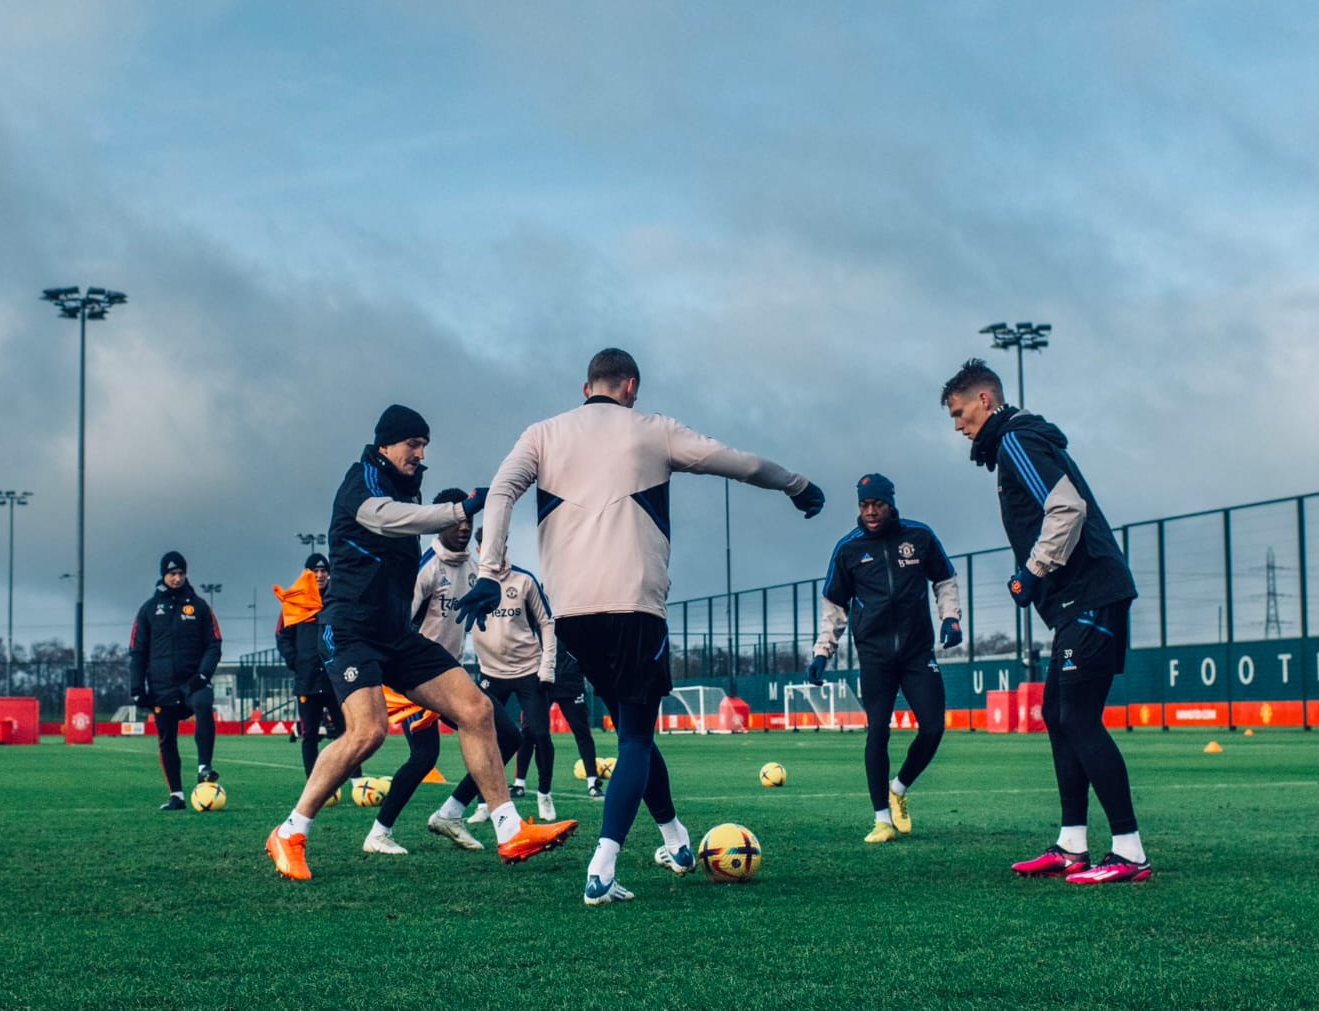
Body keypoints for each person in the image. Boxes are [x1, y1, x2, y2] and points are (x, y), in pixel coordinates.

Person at [456, 348, 824, 905]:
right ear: (630, 387)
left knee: (635, 725)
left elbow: (500, 492)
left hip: (573, 614)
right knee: (634, 735)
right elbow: (740, 463)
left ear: (587, 389)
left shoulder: (542, 435)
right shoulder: (654, 430)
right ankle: (603, 865)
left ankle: (675, 839)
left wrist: (488, 570)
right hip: (636, 608)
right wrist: (796, 485)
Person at [264, 405, 577, 880]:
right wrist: (459, 509)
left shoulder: (406, 487)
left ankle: (510, 831)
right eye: (413, 443)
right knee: (368, 733)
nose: (421, 452)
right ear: (386, 443)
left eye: (425, 444)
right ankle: (289, 832)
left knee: (477, 711)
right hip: (350, 630)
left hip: (396, 636)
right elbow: (385, 519)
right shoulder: (362, 481)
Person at [941, 358, 1149, 884]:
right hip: (1076, 602)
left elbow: (1066, 508)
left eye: (961, 412)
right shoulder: (1015, 442)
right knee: (1058, 716)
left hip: (1091, 595)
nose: (959, 425)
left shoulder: (1015, 441)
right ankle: (1071, 844)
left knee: (1078, 718)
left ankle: (1129, 853)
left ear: (985, 400)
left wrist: (1032, 570)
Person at [365, 488, 527, 856]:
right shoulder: (426, 569)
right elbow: (397, 624)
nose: (464, 528)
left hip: (451, 677)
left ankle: (451, 813)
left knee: (508, 738)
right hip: (416, 679)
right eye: (456, 521)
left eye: (469, 521)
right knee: (424, 757)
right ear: (439, 524)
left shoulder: (473, 568)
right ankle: (378, 833)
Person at [810, 473, 962, 844]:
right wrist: (821, 652)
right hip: (875, 656)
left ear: (890, 504)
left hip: (916, 651)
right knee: (877, 731)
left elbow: (944, 581)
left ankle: (899, 788)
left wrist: (951, 618)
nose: (871, 511)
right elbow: (834, 607)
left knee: (933, 728)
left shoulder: (919, 536)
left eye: (877, 504)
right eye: (864, 505)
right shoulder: (848, 549)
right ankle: (881, 819)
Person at [469, 530, 560, 819]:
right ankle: (485, 803)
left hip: (528, 671)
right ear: (480, 549)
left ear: (503, 546)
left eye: (497, 544)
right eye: (485, 545)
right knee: (485, 739)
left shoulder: (524, 580)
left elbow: (547, 622)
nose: (492, 550)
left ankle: (544, 794)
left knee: (540, 733)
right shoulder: (470, 580)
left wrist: (547, 666)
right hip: (489, 674)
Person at [128, 551, 224, 811]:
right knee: (166, 740)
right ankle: (177, 795)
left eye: (181, 573)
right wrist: (137, 688)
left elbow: (214, 644)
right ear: (164, 576)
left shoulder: (200, 606)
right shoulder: (148, 610)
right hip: (162, 688)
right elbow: (137, 650)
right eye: (172, 574)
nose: (177, 578)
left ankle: (205, 766)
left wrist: (202, 675)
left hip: (193, 683)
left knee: (204, 703)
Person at [274, 553, 353, 779]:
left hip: (335, 679)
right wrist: (296, 662)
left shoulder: (337, 600)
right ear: (306, 574)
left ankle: (355, 779)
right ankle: (314, 782)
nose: (319, 575)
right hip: (307, 680)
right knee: (309, 735)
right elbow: (283, 637)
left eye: (323, 571)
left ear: (329, 573)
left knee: (346, 731)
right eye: (314, 571)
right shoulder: (295, 602)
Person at [518, 648, 604, 800]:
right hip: (544, 683)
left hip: (571, 685)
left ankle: (592, 783)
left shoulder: (575, 626)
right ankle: (519, 784)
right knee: (528, 732)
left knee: (582, 733)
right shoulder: (540, 626)